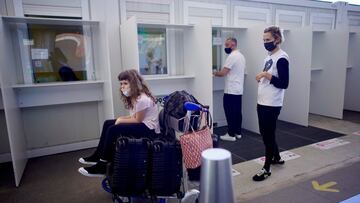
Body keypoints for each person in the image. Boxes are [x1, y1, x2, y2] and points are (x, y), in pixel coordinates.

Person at [78, 69, 160, 177]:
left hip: (149, 130)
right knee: (108, 123)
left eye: (125, 83)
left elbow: (138, 120)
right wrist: (121, 118)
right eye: (121, 84)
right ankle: (98, 155)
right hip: (142, 124)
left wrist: (121, 120)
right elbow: (134, 116)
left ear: (134, 84)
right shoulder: (134, 97)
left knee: (113, 129)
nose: (122, 86)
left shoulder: (142, 99)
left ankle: (102, 165)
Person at [253, 26, 289, 181]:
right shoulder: (268, 57)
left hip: (272, 104)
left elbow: (284, 83)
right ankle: (277, 157)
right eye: (264, 40)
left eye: (268, 40)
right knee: (265, 132)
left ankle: (266, 168)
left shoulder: (282, 58)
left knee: (267, 135)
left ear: (277, 39)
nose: (265, 42)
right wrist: (262, 77)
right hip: (262, 101)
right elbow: (268, 77)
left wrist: (266, 75)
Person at [214, 37, 246, 142]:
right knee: (237, 112)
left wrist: (214, 72)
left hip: (231, 90)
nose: (225, 47)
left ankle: (231, 134)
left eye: (227, 45)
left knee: (230, 111)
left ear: (233, 45)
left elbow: (223, 73)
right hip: (238, 89)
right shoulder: (241, 56)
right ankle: (238, 132)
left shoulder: (232, 56)